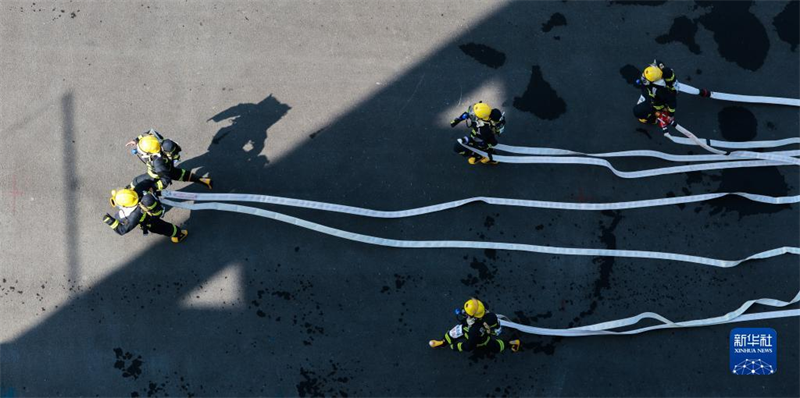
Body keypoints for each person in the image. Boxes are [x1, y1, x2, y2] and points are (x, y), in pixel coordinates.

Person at [126, 129, 213, 191]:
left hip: (155, 175)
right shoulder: (155, 140)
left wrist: (154, 187)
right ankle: (204, 181)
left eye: (142, 152)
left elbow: (165, 180)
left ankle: (128, 190)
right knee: (181, 174)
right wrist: (137, 140)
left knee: (137, 181)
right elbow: (148, 134)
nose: (140, 152)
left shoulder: (157, 163)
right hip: (169, 167)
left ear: (150, 153)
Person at [429, 298, 520, 353]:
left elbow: (469, 347)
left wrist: (456, 346)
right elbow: (495, 327)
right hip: (484, 333)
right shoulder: (490, 316)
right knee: (495, 346)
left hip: (481, 340)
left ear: (474, 317)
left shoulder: (473, 331)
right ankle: (512, 343)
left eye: (467, 313)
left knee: (495, 347)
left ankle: (443, 343)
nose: (464, 312)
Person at [102, 188, 188, 243]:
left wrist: (110, 221)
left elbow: (122, 230)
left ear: (125, 205)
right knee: (163, 226)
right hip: (151, 212)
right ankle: (178, 233)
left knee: (163, 228)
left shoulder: (134, 216)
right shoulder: (135, 194)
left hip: (150, 222)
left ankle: (179, 234)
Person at [633, 60, 677, 131]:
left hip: (655, 102)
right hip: (650, 95)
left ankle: (653, 120)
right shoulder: (657, 70)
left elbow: (672, 102)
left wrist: (671, 115)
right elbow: (658, 62)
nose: (642, 77)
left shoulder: (660, 91)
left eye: (645, 79)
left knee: (639, 112)